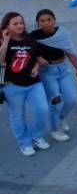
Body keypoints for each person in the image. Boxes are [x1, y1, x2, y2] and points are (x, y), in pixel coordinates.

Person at [1, 12, 58, 156]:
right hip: (12, 85)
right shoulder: (2, 41)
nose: (19, 26)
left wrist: (37, 67)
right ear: (7, 26)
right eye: (15, 24)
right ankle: (24, 143)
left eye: (21, 23)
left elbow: (36, 57)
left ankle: (36, 136)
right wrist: (5, 41)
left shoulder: (30, 39)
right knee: (17, 116)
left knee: (42, 110)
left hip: (33, 83)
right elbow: (1, 61)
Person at [30, 9, 77, 135]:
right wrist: (38, 59)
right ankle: (55, 130)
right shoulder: (34, 36)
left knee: (72, 99)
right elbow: (30, 52)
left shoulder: (62, 32)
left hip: (63, 70)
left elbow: (70, 51)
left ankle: (60, 118)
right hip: (47, 72)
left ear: (54, 20)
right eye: (42, 21)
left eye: (49, 20)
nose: (46, 23)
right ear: (38, 23)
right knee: (56, 102)